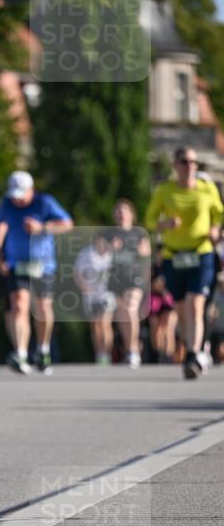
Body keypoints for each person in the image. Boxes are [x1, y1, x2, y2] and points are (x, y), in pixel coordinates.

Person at [145, 146, 223, 379]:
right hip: (174, 256)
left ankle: (192, 354)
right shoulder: (164, 191)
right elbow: (149, 219)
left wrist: (215, 228)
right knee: (180, 308)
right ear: (175, 166)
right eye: (183, 161)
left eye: (192, 162)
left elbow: (219, 212)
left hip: (201, 253)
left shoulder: (206, 189)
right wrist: (164, 225)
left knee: (195, 304)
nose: (189, 166)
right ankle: (195, 348)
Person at [0, 170, 73, 375]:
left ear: (31, 190)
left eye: (21, 195)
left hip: (43, 265)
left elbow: (67, 225)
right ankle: (21, 353)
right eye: (14, 195)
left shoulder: (45, 202)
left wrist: (42, 227)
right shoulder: (7, 205)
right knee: (19, 306)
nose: (17, 200)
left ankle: (43, 349)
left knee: (43, 308)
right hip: (16, 264)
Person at [102, 199, 151, 368]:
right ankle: (129, 348)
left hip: (134, 278)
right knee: (122, 315)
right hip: (115, 279)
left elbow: (148, 255)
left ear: (131, 214)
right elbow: (99, 254)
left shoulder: (139, 233)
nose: (121, 214)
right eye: (118, 211)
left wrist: (142, 252)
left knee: (130, 308)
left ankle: (134, 350)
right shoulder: (108, 234)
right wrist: (110, 249)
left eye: (124, 211)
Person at [74, 233, 115, 365]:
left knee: (105, 323)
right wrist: (84, 287)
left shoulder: (112, 255)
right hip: (90, 295)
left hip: (107, 294)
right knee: (95, 326)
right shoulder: (87, 253)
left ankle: (107, 353)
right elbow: (77, 272)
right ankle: (99, 354)